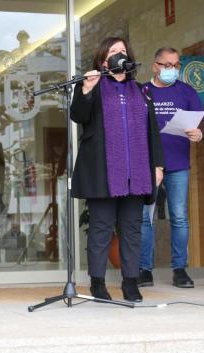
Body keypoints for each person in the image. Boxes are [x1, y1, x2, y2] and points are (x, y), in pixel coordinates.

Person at [71, 37, 164, 302]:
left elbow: (153, 132)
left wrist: (157, 165)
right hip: (103, 173)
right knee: (100, 228)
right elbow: (78, 116)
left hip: (136, 173)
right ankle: (98, 284)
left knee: (132, 228)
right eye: (113, 51)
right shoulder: (93, 86)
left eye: (123, 51)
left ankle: (130, 282)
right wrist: (87, 88)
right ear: (103, 61)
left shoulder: (141, 91)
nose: (120, 54)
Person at [138, 47, 204, 289]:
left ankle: (180, 269)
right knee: (145, 218)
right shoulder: (142, 91)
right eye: (167, 65)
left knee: (179, 217)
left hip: (178, 164)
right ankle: (144, 269)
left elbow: (201, 125)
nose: (172, 70)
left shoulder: (186, 91)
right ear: (155, 66)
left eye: (176, 65)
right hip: (148, 165)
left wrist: (199, 133)